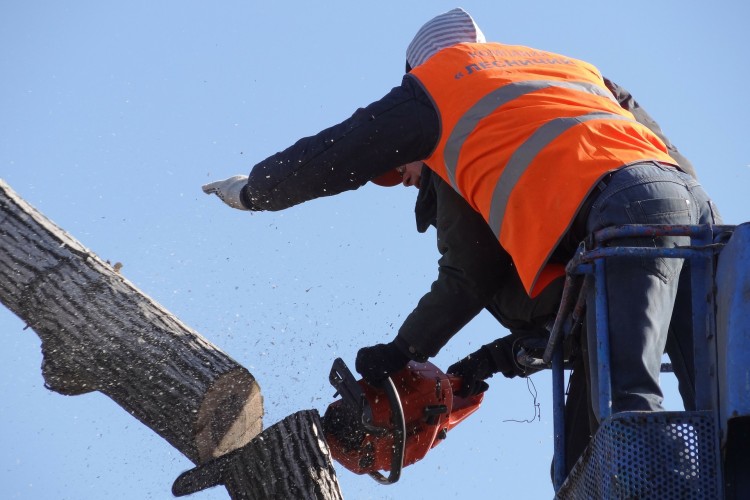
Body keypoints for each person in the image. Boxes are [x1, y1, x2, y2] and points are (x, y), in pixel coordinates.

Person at [203, 8, 720, 421]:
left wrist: (256, 191)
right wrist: (491, 360)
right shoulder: (564, 69)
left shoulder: (436, 93)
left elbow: (341, 152)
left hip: (622, 215)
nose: (399, 178)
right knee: (716, 405)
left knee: (625, 406)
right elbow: (676, 164)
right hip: (691, 215)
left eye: (396, 167)